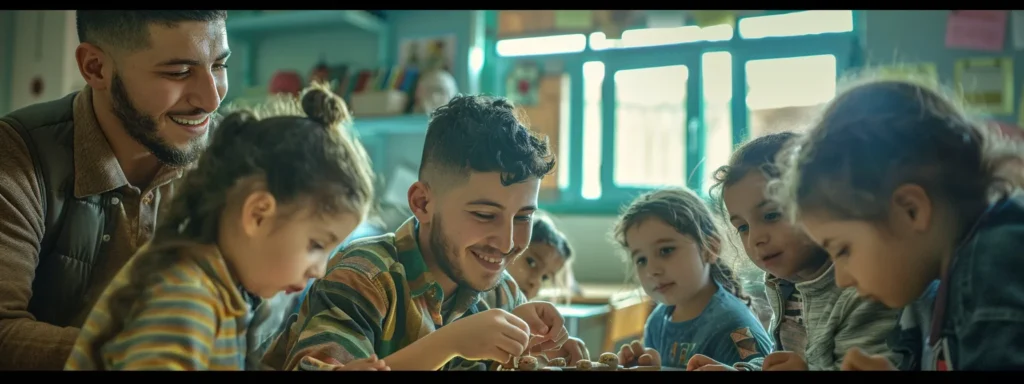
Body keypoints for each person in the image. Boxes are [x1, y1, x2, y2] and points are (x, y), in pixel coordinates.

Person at [64, 84, 384, 371]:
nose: (319, 270)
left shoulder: (222, 290)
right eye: (316, 245)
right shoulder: (184, 299)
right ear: (258, 214)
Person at [262, 95, 570, 371]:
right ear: (422, 203)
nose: (507, 242)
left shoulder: (502, 294)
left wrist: (544, 357)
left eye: (523, 217)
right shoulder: (363, 277)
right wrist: (449, 344)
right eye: (484, 215)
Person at [0, 11, 229, 370]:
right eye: (179, 72)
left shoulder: (235, 157)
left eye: (218, 65)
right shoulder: (17, 153)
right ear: (95, 68)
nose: (212, 100)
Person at [769, 78, 1024, 370]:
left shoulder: (996, 265)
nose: (842, 279)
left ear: (910, 210)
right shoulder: (926, 291)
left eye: (843, 250)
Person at [687, 132, 899, 371]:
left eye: (771, 215)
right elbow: (780, 362)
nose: (756, 238)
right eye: (743, 227)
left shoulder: (861, 292)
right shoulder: (784, 286)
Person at [612, 188, 773, 369]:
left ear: (709, 249)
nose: (652, 270)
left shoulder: (736, 327)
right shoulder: (657, 322)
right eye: (641, 259)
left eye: (666, 250)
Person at [487, 211, 589, 364]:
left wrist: (544, 349)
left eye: (545, 277)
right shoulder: (482, 296)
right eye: (531, 262)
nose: (536, 282)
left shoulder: (519, 310)